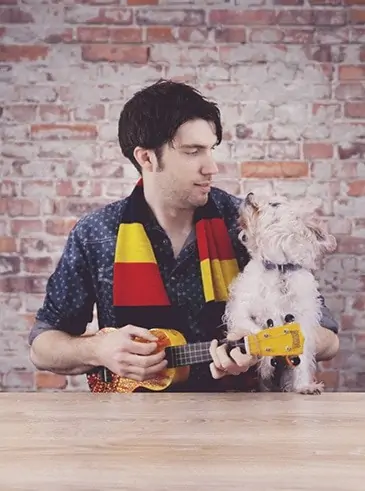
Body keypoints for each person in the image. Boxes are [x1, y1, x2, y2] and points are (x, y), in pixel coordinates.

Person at [28, 79, 339, 393]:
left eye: (211, 150)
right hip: (130, 426)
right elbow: (43, 345)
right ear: (146, 158)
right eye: (193, 152)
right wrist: (97, 350)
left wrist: (258, 346)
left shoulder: (248, 225)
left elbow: (326, 337)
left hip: (240, 421)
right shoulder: (96, 233)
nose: (212, 167)